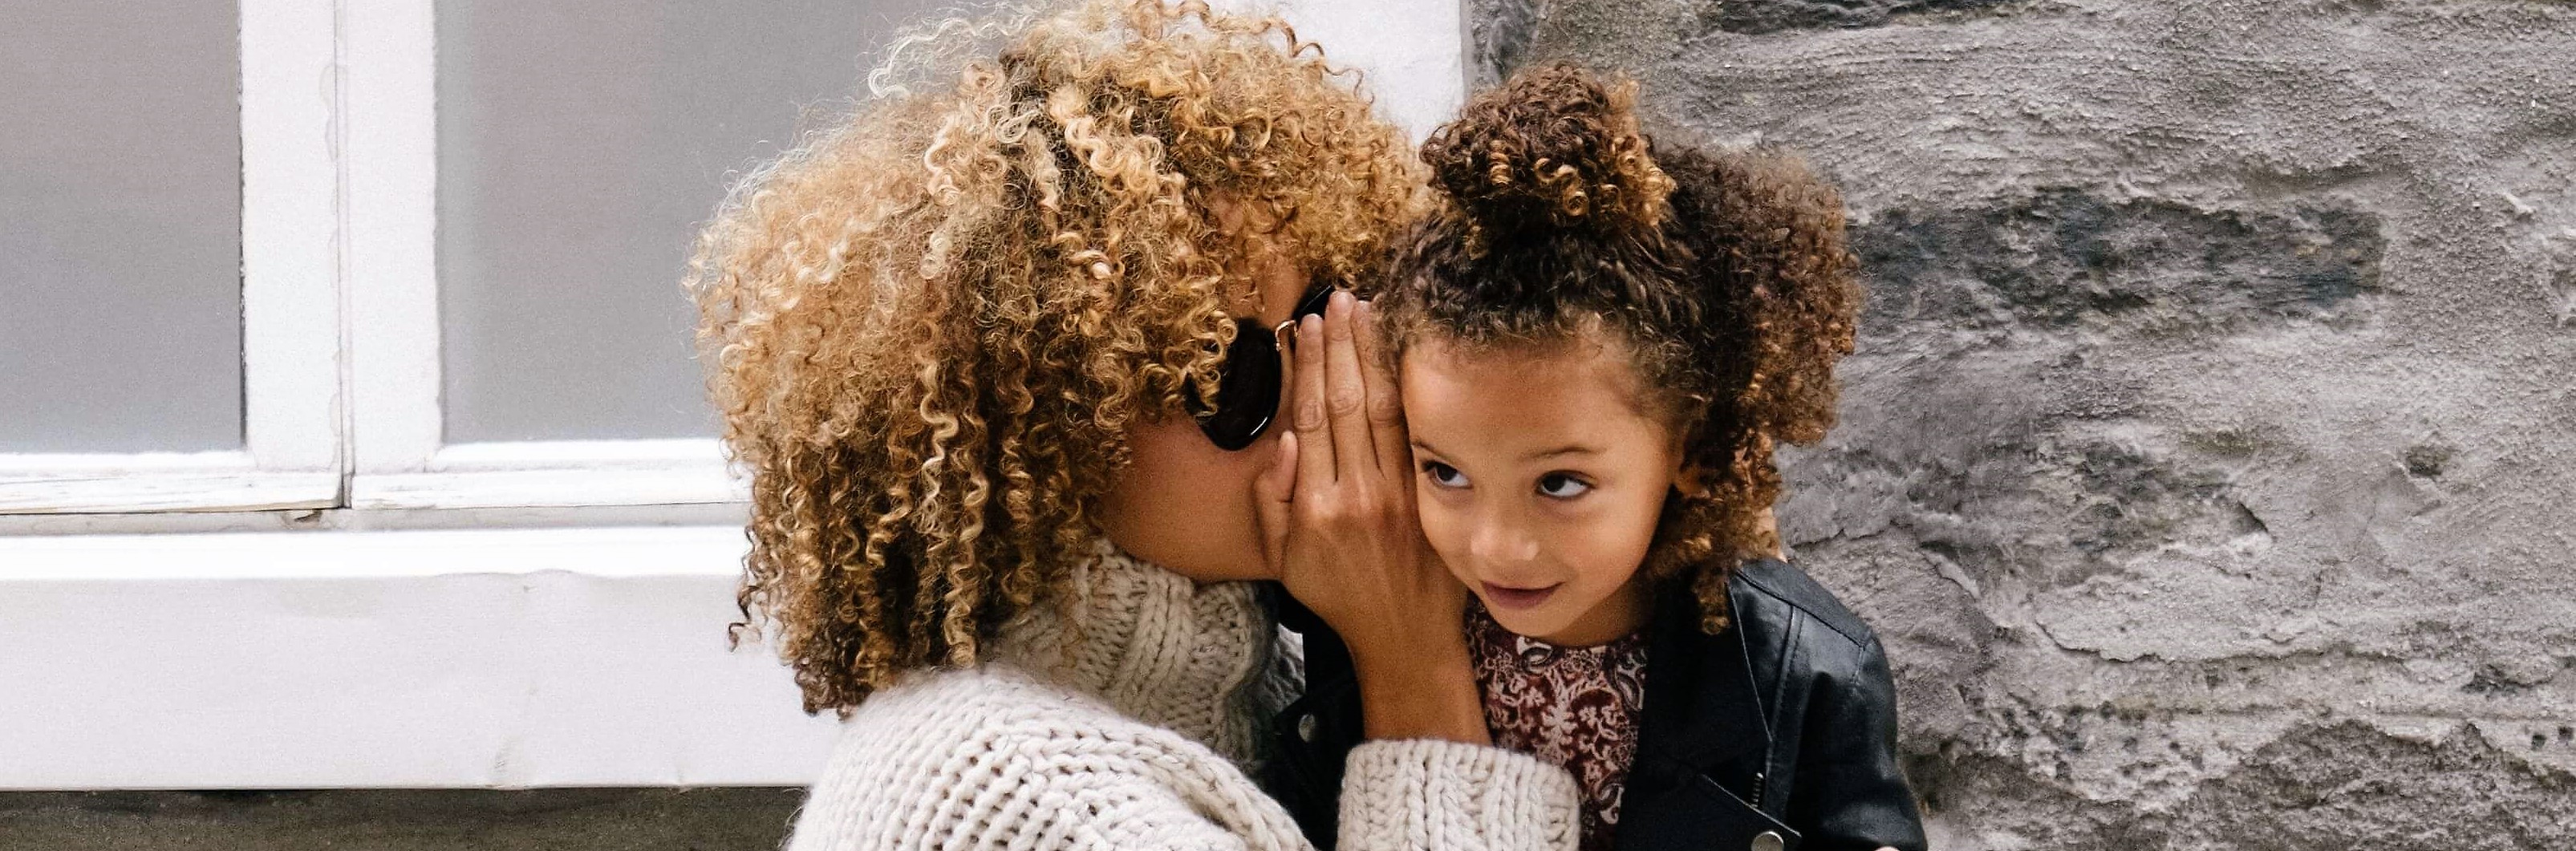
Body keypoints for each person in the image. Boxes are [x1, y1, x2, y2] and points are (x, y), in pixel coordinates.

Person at [686, 2, 1580, 849]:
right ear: (1051, 431)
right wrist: (1413, 663)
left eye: (1334, 312)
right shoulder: (1001, 782)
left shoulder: (1247, 689)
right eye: (1230, 371)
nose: (1334, 391)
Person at [1265, 64, 1928, 851]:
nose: (1495, 543)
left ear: (1692, 449)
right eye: (1444, 470)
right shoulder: (1363, 622)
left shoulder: (1806, 671)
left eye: (1559, 482)